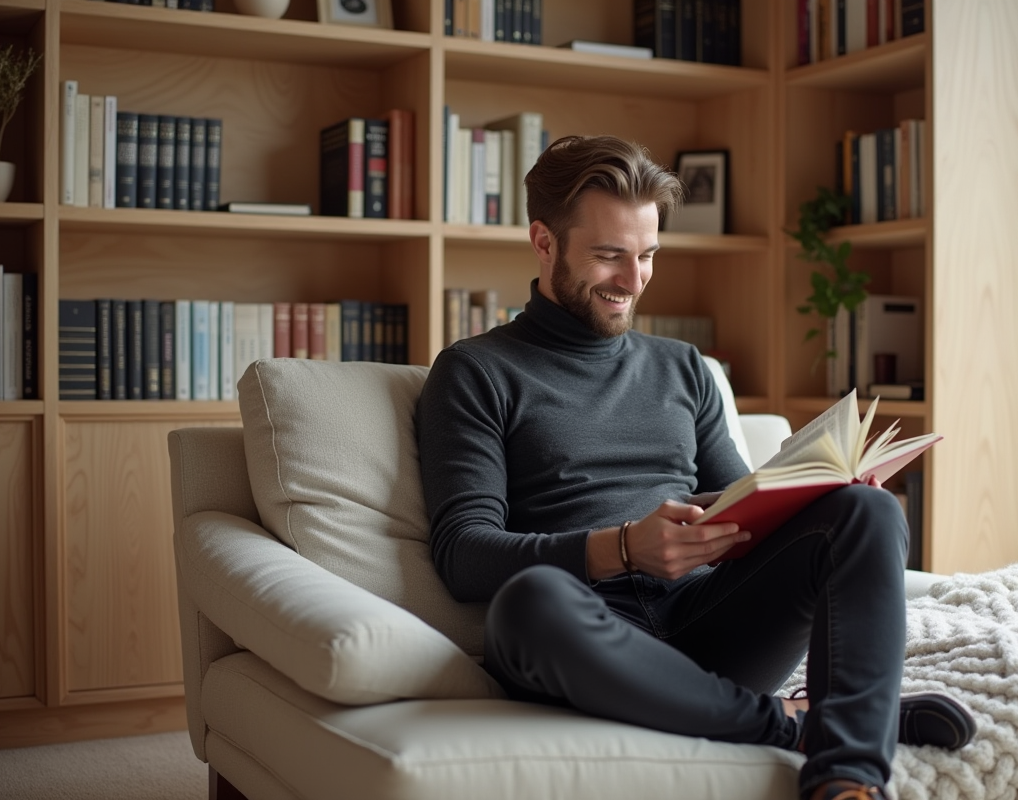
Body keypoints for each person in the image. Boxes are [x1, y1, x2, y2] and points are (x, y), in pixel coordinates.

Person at [416, 135, 974, 800]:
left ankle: (848, 778)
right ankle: (802, 724)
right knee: (529, 603)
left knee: (868, 510)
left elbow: (742, 503)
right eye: (609, 256)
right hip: (588, 637)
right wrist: (625, 548)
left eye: (648, 255)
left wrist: (820, 496)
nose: (633, 280)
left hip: (710, 618)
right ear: (544, 242)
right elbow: (464, 554)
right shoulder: (476, 371)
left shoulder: (684, 367)